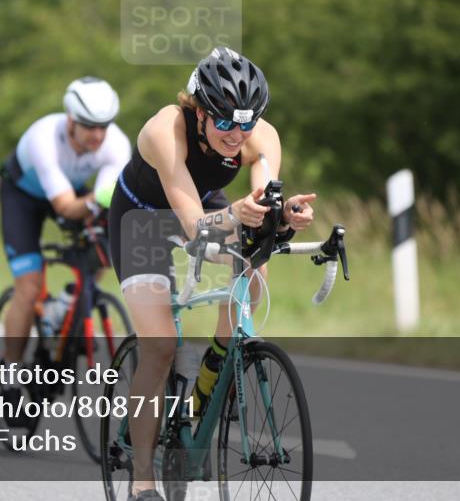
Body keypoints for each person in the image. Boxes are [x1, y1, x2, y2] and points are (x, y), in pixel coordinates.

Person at [108, 47, 316, 501]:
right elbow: (193, 227)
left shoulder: (260, 135)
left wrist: (283, 216)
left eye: (245, 122)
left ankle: (215, 371)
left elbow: (262, 201)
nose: (235, 133)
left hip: (203, 206)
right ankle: (143, 478)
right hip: (142, 220)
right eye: (223, 122)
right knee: (160, 347)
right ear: (197, 110)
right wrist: (237, 215)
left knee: (254, 271)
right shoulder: (165, 130)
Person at [0, 77, 131, 383]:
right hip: (23, 197)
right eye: (89, 126)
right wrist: (100, 199)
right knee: (29, 288)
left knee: (106, 242)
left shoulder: (117, 144)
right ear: (71, 120)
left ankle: (68, 304)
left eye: (104, 126)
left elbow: (105, 202)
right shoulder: (44, 136)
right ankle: (10, 372)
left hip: (72, 192)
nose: (98, 134)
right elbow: (66, 207)